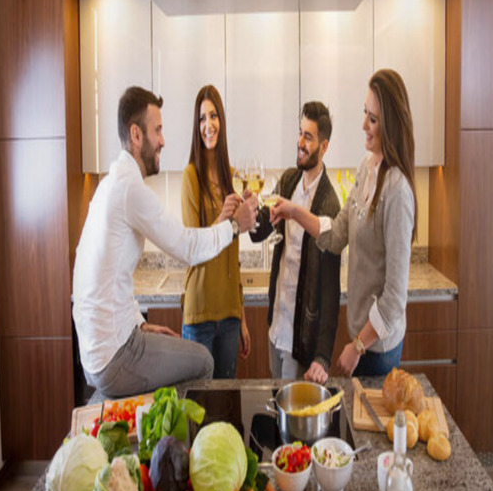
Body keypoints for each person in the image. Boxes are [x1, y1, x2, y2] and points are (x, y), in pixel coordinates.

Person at [72, 86, 257, 398]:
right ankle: (191, 444)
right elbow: (185, 247)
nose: (163, 140)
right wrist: (235, 226)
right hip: (115, 355)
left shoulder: (111, 185)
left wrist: (137, 323)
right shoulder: (130, 189)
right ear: (136, 135)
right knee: (202, 362)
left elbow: (103, 276)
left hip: (98, 352)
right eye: (157, 130)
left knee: (185, 357)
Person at [272, 70, 417, 377]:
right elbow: (337, 234)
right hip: (360, 336)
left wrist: (359, 346)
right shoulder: (366, 168)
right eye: (365, 113)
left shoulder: (398, 191)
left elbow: (394, 298)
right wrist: (295, 212)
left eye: (373, 119)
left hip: (377, 348)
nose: (364, 125)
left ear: (390, 125)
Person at [250, 102, 341, 384]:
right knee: (276, 407)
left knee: (294, 420)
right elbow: (259, 231)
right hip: (276, 326)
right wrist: (249, 209)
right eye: (300, 133)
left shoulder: (329, 203)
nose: (300, 143)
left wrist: (323, 357)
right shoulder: (289, 179)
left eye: (309, 137)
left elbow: (331, 289)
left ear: (323, 147)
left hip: (300, 338)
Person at [180, 85, 251, 379]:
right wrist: (224, 218)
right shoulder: (190, 177)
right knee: (197, 413)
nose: (208, 125)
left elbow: (232, 258)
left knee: (225, 410)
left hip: (230, 316)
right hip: (200, 315)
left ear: (221, 120)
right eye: (201, 118)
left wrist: (243, 318)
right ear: (196, 127)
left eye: (213, 116)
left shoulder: (231, 177)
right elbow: (191, 247)